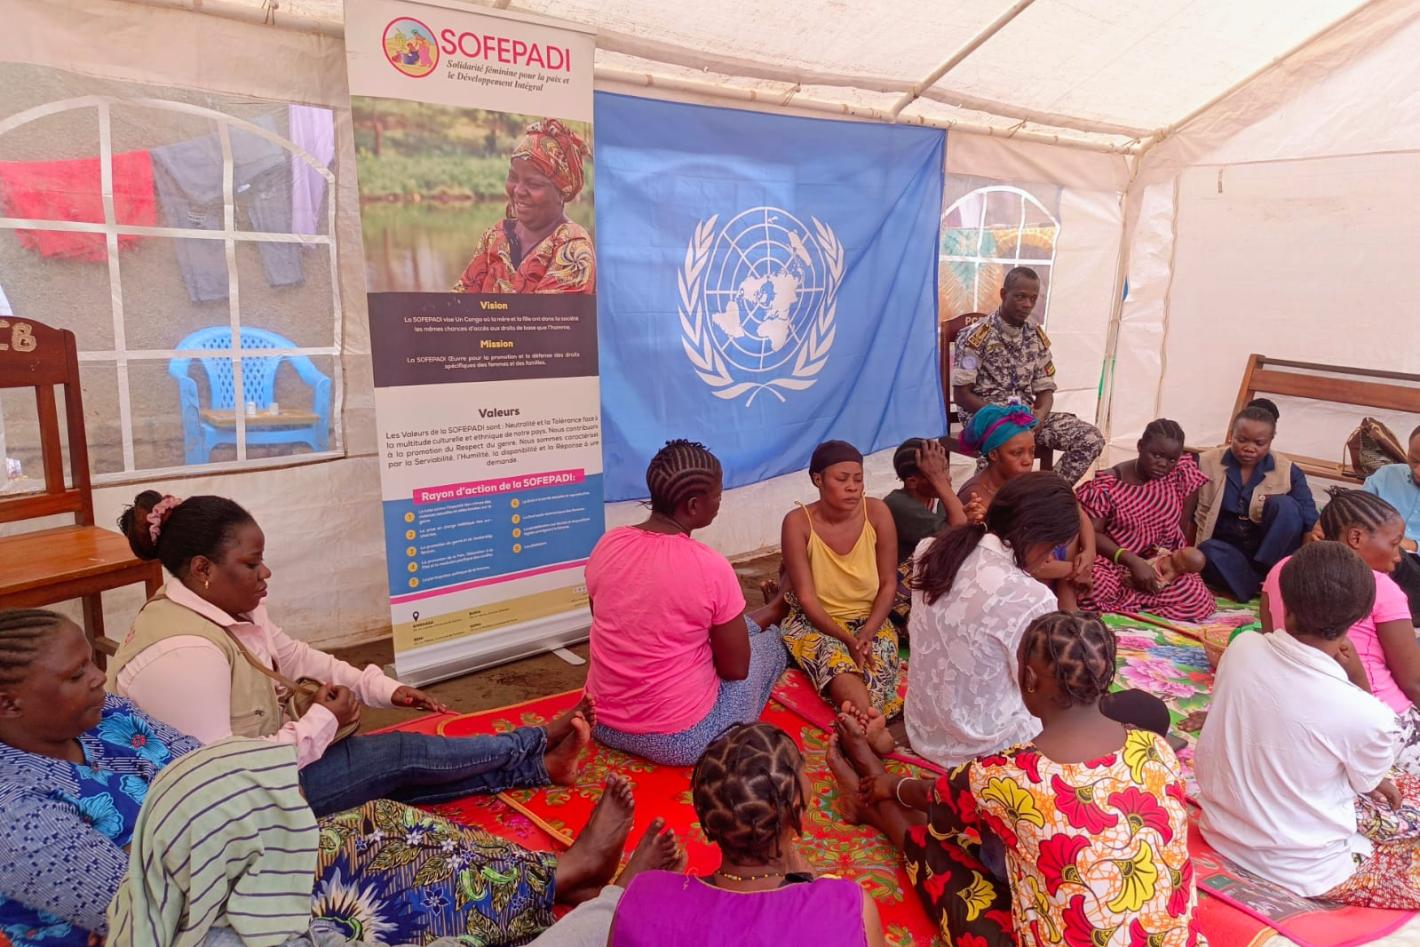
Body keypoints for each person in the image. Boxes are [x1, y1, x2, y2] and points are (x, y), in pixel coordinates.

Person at [0, 609, 679, 947]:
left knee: (382, 824)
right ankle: (573, 895)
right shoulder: (16, 812)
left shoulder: (108, 718)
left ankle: (559, 876)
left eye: (93, 663)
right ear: (11, 704)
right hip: (188, 922)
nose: (100, 680)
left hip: (236, 851)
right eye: (77, 674)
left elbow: (204, 769)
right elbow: (136, 912)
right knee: (368, 902)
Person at [108, 492, 590, 817]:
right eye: (252, 564)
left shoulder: (219, 601)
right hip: (226, 810)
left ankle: (539, 765)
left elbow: (295, 657)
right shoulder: (182, 655)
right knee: (401, 754)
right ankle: (531, 745)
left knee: (389, 774)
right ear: (201, 568)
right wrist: (321, 723)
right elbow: (223, 776)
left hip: (258, 773)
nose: (266, 573)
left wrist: (382, 689)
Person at [830, 612, 1205, 946]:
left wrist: (887, 783)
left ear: (1026, 678)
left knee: (940, 854)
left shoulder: (1009, 773)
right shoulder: (1157, 749)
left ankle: (873, 805)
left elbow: (935, 799)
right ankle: (876, 797)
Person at [1197, 542, 1420, 908]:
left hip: (1222, 831)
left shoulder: (1242, 648)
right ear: (1362, 614)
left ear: (1285, 596)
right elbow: (1366, 782)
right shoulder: (1366, 714)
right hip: (1308, 869)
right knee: (1396, 794)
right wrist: (1358, 679)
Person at [905, 473, 1170, 769]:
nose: (1047, 561)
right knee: (1148, 711)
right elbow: (1046, 696)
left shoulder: (928, 550)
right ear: (1037, 538)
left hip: (925, 733)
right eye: (1052, 548)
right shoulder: (1027, 596)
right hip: (984, 750)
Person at [586, 440, 787, 766]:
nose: (720, 503)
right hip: (681, 739)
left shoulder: (609, 543)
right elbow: (736, 670)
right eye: (718, 496)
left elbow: (609, 620)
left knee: (703, 630)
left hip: (601, 721)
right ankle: (776, 618)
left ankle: (771, 610)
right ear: (693, 506)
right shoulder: (710, 566)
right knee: (771, 647)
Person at [608, 722, 886, 947]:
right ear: (798, 817)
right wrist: (806, 876)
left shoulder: (641, 899)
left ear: (706, 816)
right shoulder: (847, 909)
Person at [1261, 490, 1420, 775]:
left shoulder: (1281, 570)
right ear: (1356, 538)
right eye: (1395, 544)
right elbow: (1413, 683)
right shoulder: (1380, 587)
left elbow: (1272, 641)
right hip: (1373, 717)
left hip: (1294, 708)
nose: (1399, 556)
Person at [779, 441, 901, 753]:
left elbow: (889, 583)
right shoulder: (798, 522)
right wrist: (848, 639)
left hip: (870, 619)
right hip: (817, 622)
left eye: (858, 480)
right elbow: (806, 597)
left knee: (877, 665)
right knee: (836, 661)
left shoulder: (877, 513)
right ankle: (871, 727)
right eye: (842, 479)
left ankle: (863, 723)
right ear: (817, 479)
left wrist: (867, 633)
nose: (852, 488)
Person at [950, 266, 1105, 485]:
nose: (1027, 305)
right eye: (1020, 297)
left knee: (1091, 438)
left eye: (1032, 298)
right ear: (1004, 294)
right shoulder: (976, 336)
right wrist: (1004, 416)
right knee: (1003, 447)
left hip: (1027, 418)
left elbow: (1046, 390)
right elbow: (962, 395)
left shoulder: (1035, 336)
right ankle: (987, 509)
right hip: (988, 417)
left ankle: (1045, 493)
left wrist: (1038, 419)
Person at [956, 404, 1095, 608]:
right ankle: (1062, 610)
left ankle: (1067, 606)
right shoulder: (978, 495)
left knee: (1068, 528)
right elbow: (1013, 560)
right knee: (1049, 538)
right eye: (1017, 453)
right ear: (994, 455)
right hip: (1005, 574)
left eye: (1031, 452)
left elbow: (1077, 511)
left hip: (1039, 562)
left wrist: (1089, 553)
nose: (1027, 461)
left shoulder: (1024, 480)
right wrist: (1075, 569)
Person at [1076, 418, 1215, 621]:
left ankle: (1132, 599)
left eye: (1171, 460)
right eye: (1156, 455)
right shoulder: (1107, 485)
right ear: (1140, 446)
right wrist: (1133, 562)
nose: (1163, 464)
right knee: (1095, 585)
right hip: (1116, 563)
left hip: (1160, 562)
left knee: (1198, 595)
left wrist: (1168, 566)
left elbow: (1182, 524)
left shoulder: (1179, 474)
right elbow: (1092, 534)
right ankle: (1138, 597)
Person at [1193, 399, 1318, 602]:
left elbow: (1309, 522)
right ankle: (1257, 586)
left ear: (1270, 441)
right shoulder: (1207, 462)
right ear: (1231, 434)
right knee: (1208, 551)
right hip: (1228, 552)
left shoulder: (1288, 471)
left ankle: (1270, 577)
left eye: (1259, 443)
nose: (1249, 448)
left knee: (1285, 506)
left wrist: (1301, 571)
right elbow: (1185, 507)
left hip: (1271, 553)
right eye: (1241, 440)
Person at [453, 119, 594, 294]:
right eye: (513, 178)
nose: (518, 190)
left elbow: (548, 319)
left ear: (562, 192)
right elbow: (459, 302)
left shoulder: (573, 248)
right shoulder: (495, 236)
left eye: (533, 183)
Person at [881, 437, 969, 629]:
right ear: (912, 482)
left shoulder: (936, 502)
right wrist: (941, 483)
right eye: (937, 473)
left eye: (945, 469)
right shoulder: (898, 504)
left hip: (924, 590)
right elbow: (959, 532)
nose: (948, 478)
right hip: (898, 601)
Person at [1362, 424, 1420, 622]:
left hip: (1413, 567)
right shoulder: (1387, 476)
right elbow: (1357, 512)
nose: (1418, 470)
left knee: (1395, 555)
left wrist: (1415, 545)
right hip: (1376, 554)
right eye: (1414, 460)